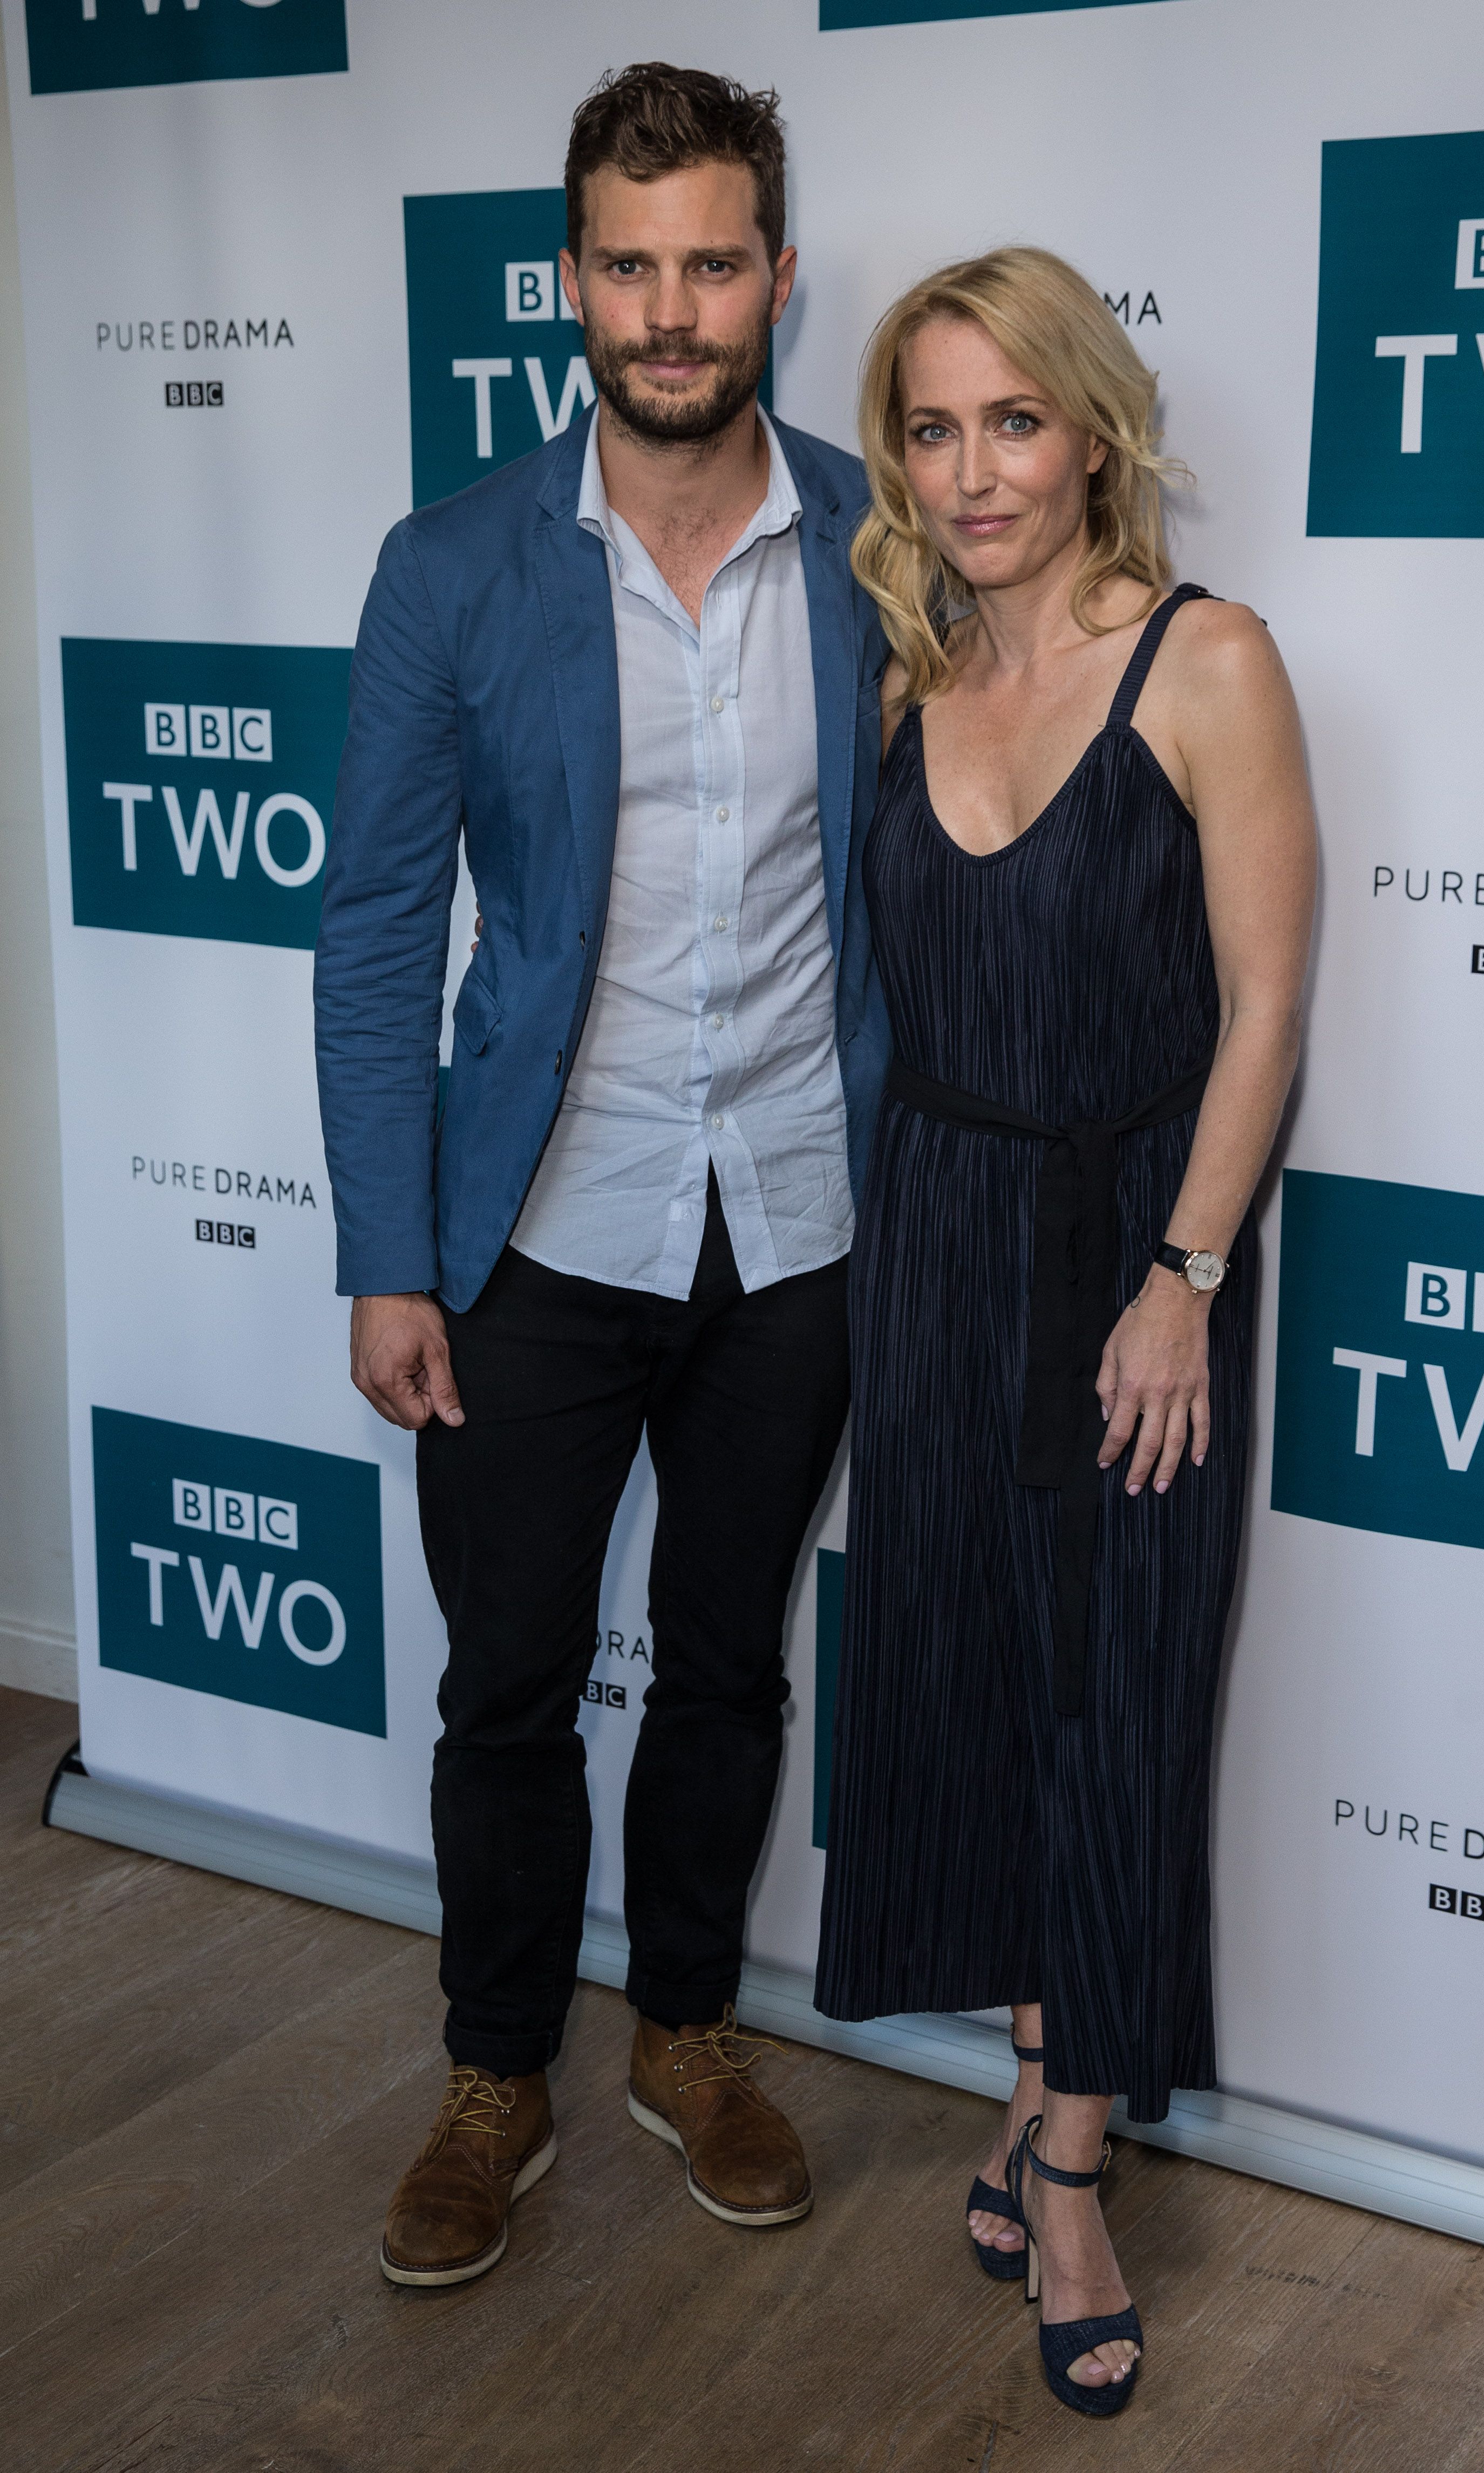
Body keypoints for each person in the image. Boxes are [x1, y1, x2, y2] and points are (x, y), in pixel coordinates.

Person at [314, 62, 888, 2287]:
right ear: (571, 280)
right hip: (534, 1229)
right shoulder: (451, 564)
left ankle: (686, 2034)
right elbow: (379, 929)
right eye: (630, 267)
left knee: (731, 1666)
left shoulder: (878, 541)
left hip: (801, 1220)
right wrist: (388, 1254)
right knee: (510, 1686)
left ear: (777, 278)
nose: (670, 312)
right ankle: (494, 2075)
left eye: (711, 264)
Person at [814, 248, 1316, 2417]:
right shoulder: (905, 670)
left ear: (1095, 431)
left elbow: (1266, 1005)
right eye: (932, 429)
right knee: (976, 1680)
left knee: (1117, 1699)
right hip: (934, 1237)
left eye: (1014, 421)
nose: (974, 471)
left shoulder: (1209, 661)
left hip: (1131, 1251)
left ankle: (1081, 2170)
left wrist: (1184, 1281)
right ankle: (1031, 2074)